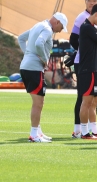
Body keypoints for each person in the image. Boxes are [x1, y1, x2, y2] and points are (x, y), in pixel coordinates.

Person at [18, 12, 68, 142]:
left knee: (39, 101)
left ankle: (37, 132)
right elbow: (39, 43)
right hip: (34, 68)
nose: (60, 30)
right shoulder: (47, 29)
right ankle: (34, 134)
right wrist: (44, 59)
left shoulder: (39, 25)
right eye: (61, 27)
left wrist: (28, 54)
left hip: (27, 66)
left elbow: (21, 38)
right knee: (38, 102)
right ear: (57, 22)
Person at [77, 3, 97, 140]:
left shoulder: (93, 28)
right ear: (96, 14)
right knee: (87, 100)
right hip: (87, 69)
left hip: (94, 68)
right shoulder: (86, 27)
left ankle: (95, 131)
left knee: (95, 100)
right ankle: (84, 132)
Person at [71, 0, 97, 138]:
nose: (91, 3)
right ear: (85, 1)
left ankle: (89, 129)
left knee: (92, 98)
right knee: (82, 96)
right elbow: (73, 39)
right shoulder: (82, 18)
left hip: (91, 63)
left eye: (94, 1)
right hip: (82, 62)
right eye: (89, 0)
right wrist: (83, 52)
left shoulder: (96, 18)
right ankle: (78, 129)